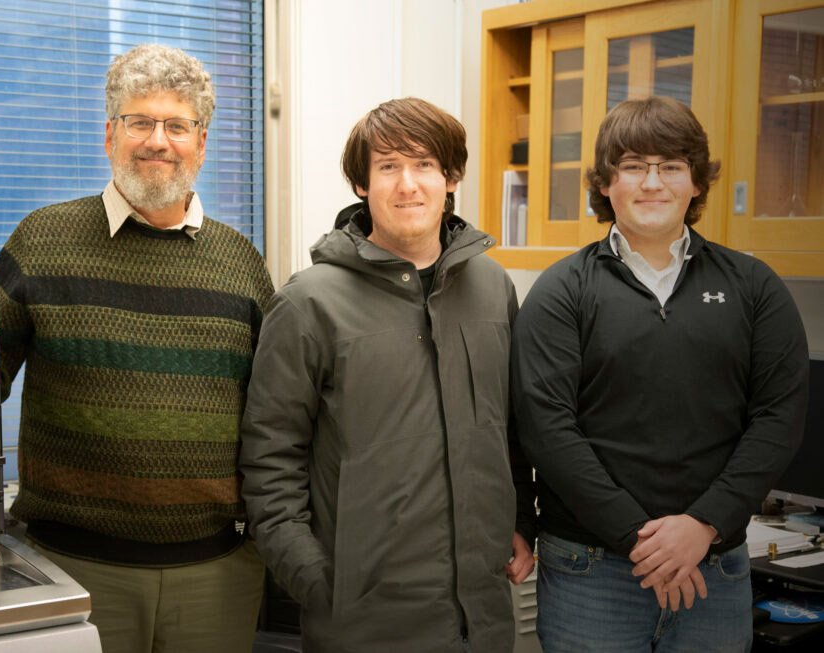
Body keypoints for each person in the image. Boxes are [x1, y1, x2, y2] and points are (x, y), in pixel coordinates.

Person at [0, 44, 273, 653]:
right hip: (72, 569)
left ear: (201, 143)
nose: (157, 140)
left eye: (177, 125)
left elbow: (277, 421)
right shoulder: (43, 240)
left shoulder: (241, 263)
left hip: (216, 577)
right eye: (140, 121)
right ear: (110, 135)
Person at [511, 95, 809, 652]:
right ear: (605, 183)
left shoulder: (754, 287)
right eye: (633, 166)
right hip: (589, 574)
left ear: (696, 182)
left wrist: (703, 525)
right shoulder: (561, 292)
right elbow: (546, 429)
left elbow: (778, 418)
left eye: (671, 166)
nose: (653, 183)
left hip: (714, 571)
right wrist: (644, 541)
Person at [239, 97, 537, 652]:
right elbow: (269, 458)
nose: (408, 184)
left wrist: (521, 519)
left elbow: (511, 429)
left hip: (484, 612)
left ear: (451, 178)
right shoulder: (308, 303)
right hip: (362, 619)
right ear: (361, 184)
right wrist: (314, 579)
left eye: (424, 164)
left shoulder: (494, 289)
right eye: (388, 166)